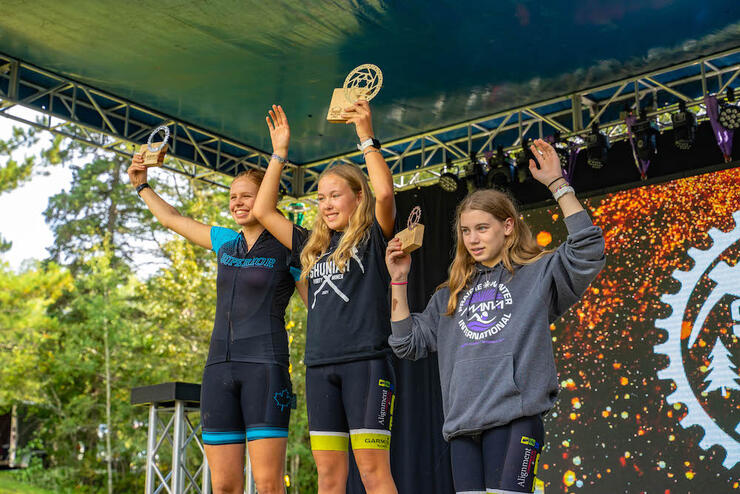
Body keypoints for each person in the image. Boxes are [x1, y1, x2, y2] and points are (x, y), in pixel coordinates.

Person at [385, 139, 606, 494]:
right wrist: (398, 277)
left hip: (516, 420)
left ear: (508, 226)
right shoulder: (448, 294)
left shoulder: (538, 273)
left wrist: (557, 184)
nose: (472, 239)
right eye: (466, 231)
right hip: (462, 426)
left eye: (482, 228)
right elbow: (405, 342)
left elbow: (588, 249)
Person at [127, 157, 305, 494]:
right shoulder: (225, 240)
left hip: (265, 369)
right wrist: (141, 185)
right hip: (218, 370)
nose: (237, 202)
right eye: (233, 196)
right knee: (223, 485)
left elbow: (319, 302)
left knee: (268, 484)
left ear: (268, 197)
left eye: (247, 196)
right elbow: (171, 219)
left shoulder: (290, 247)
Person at [253, 103, 398, 494]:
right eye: (321, 198)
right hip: (319, 367)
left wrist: (366, 136)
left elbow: (385, 193)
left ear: (357, 197)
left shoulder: (370, 237)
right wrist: (279, 152)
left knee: (372, 473)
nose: (327, 204)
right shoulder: (310, 245)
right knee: (329, 478)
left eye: (336, 195)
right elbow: (263, 209)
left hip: (367, 365)